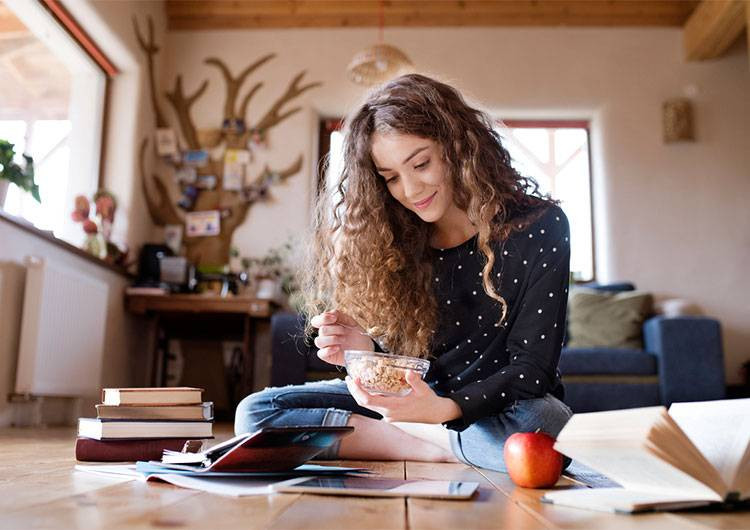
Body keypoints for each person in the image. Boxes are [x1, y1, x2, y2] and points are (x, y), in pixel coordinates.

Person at [235, 73, 573, 472]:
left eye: (421, 164)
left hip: (501, 410)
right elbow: (412, 367)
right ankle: (435, 445)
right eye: (391, 177)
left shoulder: (539, 225)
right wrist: (363, 353)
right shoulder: (395, 238)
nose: (410, 190)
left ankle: (419, 438)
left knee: (544, 424)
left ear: (458, 146)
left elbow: (532, 371)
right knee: (255, 413)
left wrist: (444, 410)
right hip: (418, 405)